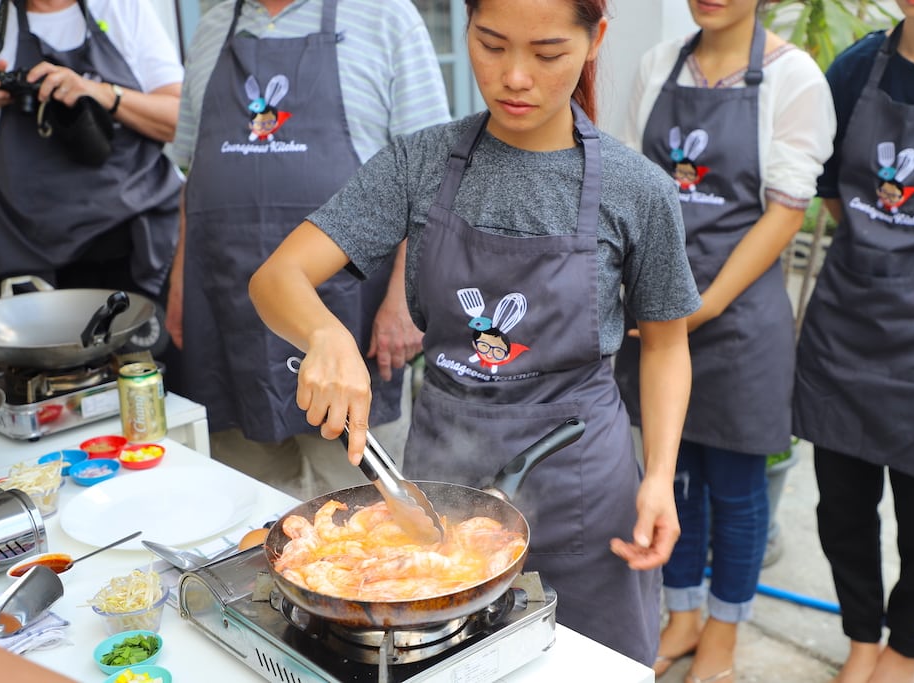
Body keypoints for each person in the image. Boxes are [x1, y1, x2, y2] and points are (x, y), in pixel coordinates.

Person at [249, 0, 701, 665]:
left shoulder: (638, 190)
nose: (515, 76)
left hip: (583, 486)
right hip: (437, 487)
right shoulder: (420, 162)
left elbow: (666, 347)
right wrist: (325, 333)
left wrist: (660, 475)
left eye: (547, 54)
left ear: (595, 39)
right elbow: (276, 277)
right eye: (491, 45)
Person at [615, 0, 835, 679]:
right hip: (656, 317)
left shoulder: (795, 78)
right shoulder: (658, 66)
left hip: (737, 318)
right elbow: (627, 185)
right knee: (670, 478)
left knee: (738, 492)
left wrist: (697, 307)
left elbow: (785, 215)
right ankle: (681, 617)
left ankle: (723, 634)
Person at [164, 0, 450, 501]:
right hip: (230, 317)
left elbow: (432, 176)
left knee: (365, 522)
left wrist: (407, 299)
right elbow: (192, 174)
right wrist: (179, 284)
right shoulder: (212, 29)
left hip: (353, 319)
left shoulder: (386, 17)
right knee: (249, 514)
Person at [793, 1, 914, 681]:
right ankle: (862, 637)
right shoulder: (855, 69)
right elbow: (832, 189)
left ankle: (904, 650)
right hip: (848, 323)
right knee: (842, 508)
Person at [0, 0, 183, 317]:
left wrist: (98, 93)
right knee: (51, 364)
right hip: (29, 251)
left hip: (138, 241)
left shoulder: (122, 8)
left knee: (148, 361)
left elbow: (179, 120)